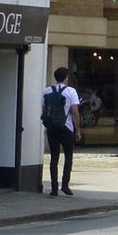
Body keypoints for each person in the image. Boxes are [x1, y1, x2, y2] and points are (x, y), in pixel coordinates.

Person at [43, 67, 81, 197]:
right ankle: (65, 185)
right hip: (66, 127)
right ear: (66, 77)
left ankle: (54, 188)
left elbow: (44, 109)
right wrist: (78, 130)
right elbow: (74, 111)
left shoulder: (47, 90)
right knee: (68, 156)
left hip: (51, 127)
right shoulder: (71, 91)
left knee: (54, 157)